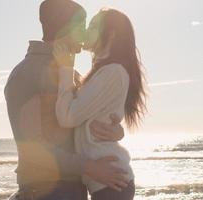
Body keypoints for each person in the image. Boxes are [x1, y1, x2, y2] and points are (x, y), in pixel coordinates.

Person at [4, 1, 131, 199]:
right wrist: (89, 167)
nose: (86, 34)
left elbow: (83, 122)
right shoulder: (27, 74)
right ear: (66, 27)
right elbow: (32, 147)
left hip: (75, 188)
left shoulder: (72, 74)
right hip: (46, 190)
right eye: (82, 26)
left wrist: (116, 130)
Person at [53, 8, 147, 200]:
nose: (87, 30)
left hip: (112, 183)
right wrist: (118, 131)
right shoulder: (103, 73)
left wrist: (65, 68)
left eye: (94, 26)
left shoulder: (113, 72)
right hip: (107, 182)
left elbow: (67, 117)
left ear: (111, 35)